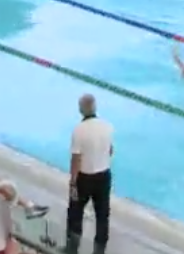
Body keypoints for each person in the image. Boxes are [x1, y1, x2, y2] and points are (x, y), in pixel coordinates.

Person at [67, 94, 113, 254]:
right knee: (102, 216)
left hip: (84, 179)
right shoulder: (107, 126)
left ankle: (72, 249)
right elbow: (111, 150)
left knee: (75, 213)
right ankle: (99, 251)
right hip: (104, 176)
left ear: (81, 110)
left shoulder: (79, 130)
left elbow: (76, 159)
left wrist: (73, 182)